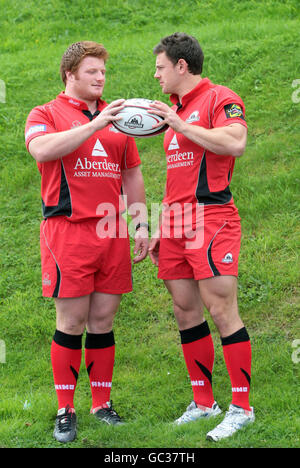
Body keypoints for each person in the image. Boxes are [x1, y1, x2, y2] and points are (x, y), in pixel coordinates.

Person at [25, 41, 149, 443]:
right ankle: (65, 409)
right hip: (69, 230)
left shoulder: (122, 119)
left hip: (112, 231)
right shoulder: (45, 113)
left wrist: (141, 224)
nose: (100, 79)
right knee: (72, 322)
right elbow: (42, 150)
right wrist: (95, 124)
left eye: (103, 73)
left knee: (102, 322)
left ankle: (101, 404)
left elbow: (131, 174)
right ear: (70, 74)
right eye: (92, 72)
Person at [148, 32, 254, 441]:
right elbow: (178, 174)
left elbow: (236, 142)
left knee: (221, 309)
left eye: (160, 67)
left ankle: (242, 408)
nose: (156, 75)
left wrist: (178, 124)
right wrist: (160, 223)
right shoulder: (179, 110)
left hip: (212, 218)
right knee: (184, 310)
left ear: (181, 65)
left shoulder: (219, 98)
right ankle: (204, 402)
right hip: (175, 221)